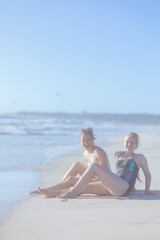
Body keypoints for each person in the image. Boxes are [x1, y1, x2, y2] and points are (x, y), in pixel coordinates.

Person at [39, 132, 154, 198]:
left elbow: (147, 175)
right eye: (127, 142)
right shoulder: (117, 154)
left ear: (136, 144)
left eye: (132, 142)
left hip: (122, 187)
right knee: (83, 188)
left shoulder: (140, 157)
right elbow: (124, 172)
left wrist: (146, 190)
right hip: (114, 185)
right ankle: (51, 193)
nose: (129, 144)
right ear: (123, 143)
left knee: (94, 166)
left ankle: (71, 193)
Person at [29, 127, 111, 195]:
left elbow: (106, 177)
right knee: (76, 165)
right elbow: (92, 173)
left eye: (88, 140)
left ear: (93, 140)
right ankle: (58, 186)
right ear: (80, 142)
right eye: (83, 140)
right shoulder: (85, 153)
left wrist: (83, 180)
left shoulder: (99, 152)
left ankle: (49, 191)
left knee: (71, 180)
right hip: (93, 178)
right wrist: (84, 180)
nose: (86, 142)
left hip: (104, 184)